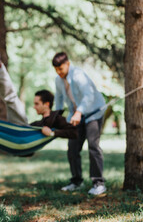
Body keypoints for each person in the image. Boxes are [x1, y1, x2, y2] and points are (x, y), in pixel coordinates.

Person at [52, 52, 107, 195]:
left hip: (93, 113)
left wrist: (79, 112)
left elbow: (89, 95)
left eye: (61, 69)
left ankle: (98, 183)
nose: (59, 72)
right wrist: (55, 117)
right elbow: (58, 99)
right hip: (77, 116)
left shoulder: (78, 75)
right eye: (56, 69)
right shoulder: (58, 80)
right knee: (72, 147)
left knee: (93, 146)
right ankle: (76, 181)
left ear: (68, 64)